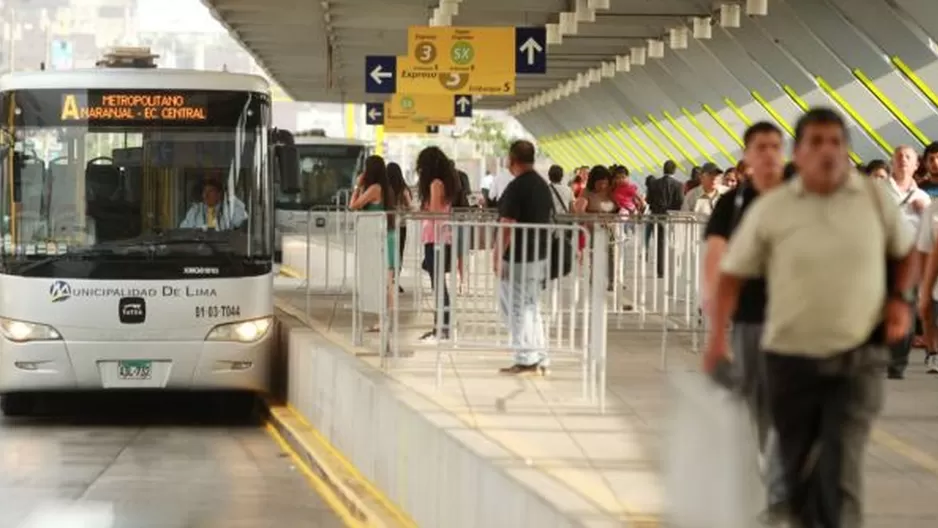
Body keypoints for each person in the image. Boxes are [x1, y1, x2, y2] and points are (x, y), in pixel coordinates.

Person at [705, 108, 915, 528]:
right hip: (791, 358)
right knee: (797, 468)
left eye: (836, 142)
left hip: (858, 356)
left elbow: (905, 250)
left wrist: (899, 299)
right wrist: (716, 338)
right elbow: (731, 275)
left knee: (841, 466)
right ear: (797, 155)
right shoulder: (772, 208)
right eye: (816, 142)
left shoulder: (873, 198)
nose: (827, 151)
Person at [702, 121, 787, 515]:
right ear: (748, 155)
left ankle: (779, 492)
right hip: (750, 319)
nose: (769, 153)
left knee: (787, 404)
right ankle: (761, 482)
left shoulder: (800, 199)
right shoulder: (732, 204)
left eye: (775, 146)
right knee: (754, 406)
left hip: (794, 322)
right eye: (761, 147)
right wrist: (716, 324)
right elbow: (715, 257)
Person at [494, 140, 553, 375]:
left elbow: (507, 224)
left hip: (518, 257)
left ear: (512, 159)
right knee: (531, 306)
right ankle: (539, 354)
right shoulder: (542, 185)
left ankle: (526, 357)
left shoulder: (517, 187)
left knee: (516, 307)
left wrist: (498, 255)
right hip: (538, 255)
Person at [884, 146, 930, 379]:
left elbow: (931, 232)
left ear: (916, 165)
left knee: (905, 310)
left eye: (908, 157)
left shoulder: (923, 198)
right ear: (891, 162)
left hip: (910, 261)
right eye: (898, 156)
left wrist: (925, 214)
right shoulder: (879, 192)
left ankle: (897, 362)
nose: (903, 160)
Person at [349, 155, 398, 333]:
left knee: (383, 281)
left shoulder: (374, 189)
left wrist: (357, 186)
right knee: (387, 281)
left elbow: (353, 205)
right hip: (387, 236)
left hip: (379, 239)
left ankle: (383, 320)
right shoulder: (386, 189)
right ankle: (385, 320)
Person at [416, 147, 457, 343]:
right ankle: (440, 327)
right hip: (440, 238)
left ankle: (442, 329)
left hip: (436, 239)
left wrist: (417, 213)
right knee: (438, 285)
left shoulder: (435, 184)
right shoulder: (444, 183)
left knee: (439, 286)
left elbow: (433, 212)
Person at [645, 160, 684, 278]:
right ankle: (673, 269)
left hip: (657, 216)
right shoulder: (679, 185)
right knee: (674, 243)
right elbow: (680, 201)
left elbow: (649, 200)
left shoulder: (654, 184)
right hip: (671, 217)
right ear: (675, 170)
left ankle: (660, 271)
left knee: (660, 243)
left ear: (663, 169)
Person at [180, 179, 247, 230]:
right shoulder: (195, 210)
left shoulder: (230, 209)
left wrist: (231, 197)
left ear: (219, 194)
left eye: (210, 191)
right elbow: (183, 230)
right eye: (204, 191)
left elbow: (240, 222)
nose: (206, 195)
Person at [387, 162, 412, 293]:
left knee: (387, 253)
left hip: (386, 225)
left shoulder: (384, 188)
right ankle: (394, 281)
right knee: (398, 253)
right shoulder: (403, 189)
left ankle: (387, 280)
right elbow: (409, 207)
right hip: (401, 226)